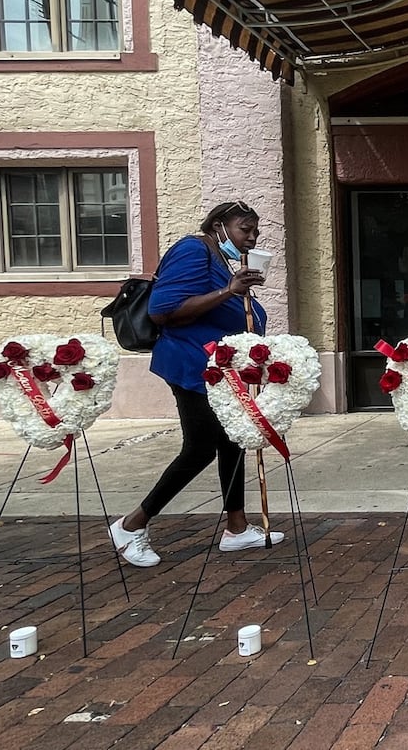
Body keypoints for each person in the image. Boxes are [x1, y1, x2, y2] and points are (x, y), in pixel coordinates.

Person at [108, 200, 285, 567]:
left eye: (255, 232)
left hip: (218, 370)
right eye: (244, 230)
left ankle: (236, 528)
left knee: (232, 439)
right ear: (219, 225)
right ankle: (131, 524)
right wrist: (228, 291)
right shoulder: (192, 250)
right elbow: (164, 309)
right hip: (191, 365)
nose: (251, 238)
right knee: (200, 448)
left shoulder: (222, 259)